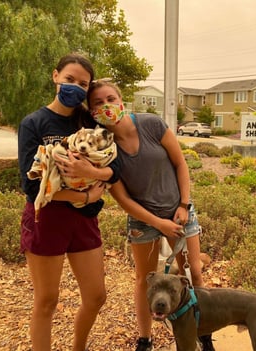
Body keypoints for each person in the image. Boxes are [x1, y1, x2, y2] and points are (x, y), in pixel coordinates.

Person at [86, 80, 215, 351]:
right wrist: (158, 223)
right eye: (98, 103)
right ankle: (145, 339)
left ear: (121, 100)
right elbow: (122, 198)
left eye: (110, 98)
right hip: (143, 221)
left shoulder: (151, 124)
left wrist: (183, 205)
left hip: (180, 212)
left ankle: (203, 333)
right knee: (145, 280)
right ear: (90, 110)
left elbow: (180, 163)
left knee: (194, 274)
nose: (106, 106)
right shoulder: (102, 147)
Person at [18, 53, 120, 351]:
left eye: (82, 84)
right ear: (55, 77)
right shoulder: (34, 123)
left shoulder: (89, 121)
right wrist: (84, 194)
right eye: (69, 79)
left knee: (96, 296)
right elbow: (30, 183)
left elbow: (117, 165)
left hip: (84, 220)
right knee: (47, 300)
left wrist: (93, 173)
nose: (75, 86)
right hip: (46, 218)